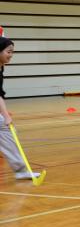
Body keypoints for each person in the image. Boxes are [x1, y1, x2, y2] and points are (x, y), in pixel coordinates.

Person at [0, 37, 41, 179]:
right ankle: (21, 170)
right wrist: (6, 116)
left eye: (12, 52)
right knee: (5, 127)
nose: (11, 55)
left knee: (7, 129)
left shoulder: (0, 67)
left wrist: (5, 116)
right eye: (8, 52)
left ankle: (21, 170)